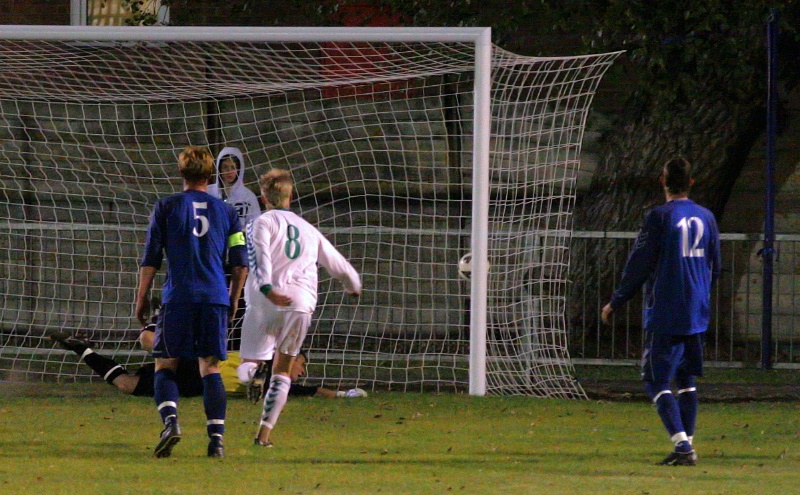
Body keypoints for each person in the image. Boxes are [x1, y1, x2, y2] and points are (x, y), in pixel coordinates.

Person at [601, 157, 720, 467]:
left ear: (662, 181)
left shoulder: (659, 217)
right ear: (691, 182)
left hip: (666, 310)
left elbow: (640, 263)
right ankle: (687, 446)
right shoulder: (706, 217)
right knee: (687, 378)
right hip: (696, 312)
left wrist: (617, 300)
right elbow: (716, 267)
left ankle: (682, 447)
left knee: (655, 381)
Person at [135, 145, 248, 459]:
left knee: (165, 363)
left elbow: (150, 259)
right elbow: (240, 262)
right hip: (214, 298)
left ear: (181, 172)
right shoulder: (227, 212)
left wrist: (141, 298)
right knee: (210, 368)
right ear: (210, 174)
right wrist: (234, 298)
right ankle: (217, 441)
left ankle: (171, 421)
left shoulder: (166, 207)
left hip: (179, 297)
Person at [242, 168, 361, 447]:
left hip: (266, 301)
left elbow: (259, 261)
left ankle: (253, 374)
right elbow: (339, 264)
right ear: (290, 196)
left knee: (248, 363)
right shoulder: (309, 229)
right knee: (282, 371)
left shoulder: (261, 223)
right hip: (300, 305)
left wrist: (268, 289)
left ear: (263, 196)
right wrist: (353, 285)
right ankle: (264, 436)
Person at [49, 324, 367, 400]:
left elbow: (306, 391)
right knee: (151, 342)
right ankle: (161, 321)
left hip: (196, 386)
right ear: (292, 359)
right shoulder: (268, 361)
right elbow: (308, 389)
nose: (301, 373)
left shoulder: (276, 385)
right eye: (302, 366)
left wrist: (342, 395)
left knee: (127, 385)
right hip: (202, 363)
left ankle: (81, 350)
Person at [208, 147, 262, 349]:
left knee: (237, 306)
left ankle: (235, 350)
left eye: (233, 167)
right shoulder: (210, 193)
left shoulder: (247, 197)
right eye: (225, 167)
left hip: (239, 260)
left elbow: (254, 226)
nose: (229, 171)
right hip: (214, 259)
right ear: (219, 169)